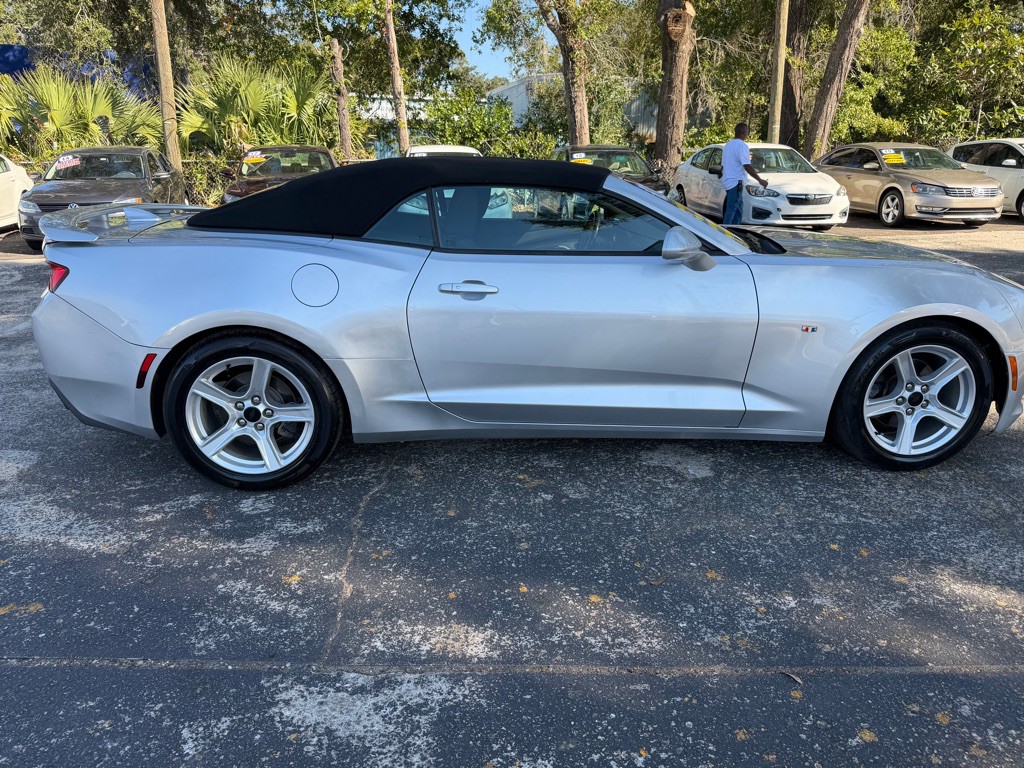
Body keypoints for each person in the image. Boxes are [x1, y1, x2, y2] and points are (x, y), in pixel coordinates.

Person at [722, 123, 769, 225]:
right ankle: (725, 232)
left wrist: (746, 183)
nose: (748, 134)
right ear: (743, 133)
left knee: (738, 209)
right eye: (747, 132)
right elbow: (747, 166)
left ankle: (736, 231)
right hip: (735, 183)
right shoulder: (742, 146)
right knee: (732, 209)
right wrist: (760, 180)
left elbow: (724, 166)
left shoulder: (728, 145)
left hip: (729, 181)